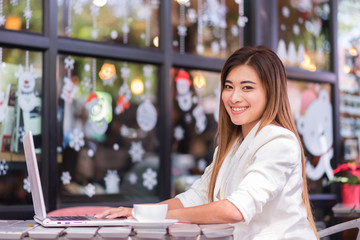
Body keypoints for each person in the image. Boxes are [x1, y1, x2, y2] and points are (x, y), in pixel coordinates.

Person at [95, 46, 319, 239]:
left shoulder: (279, 141)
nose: (234, 97)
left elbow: (235, 209)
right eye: (229, 86)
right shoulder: (232, 144)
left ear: (271, 93)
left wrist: (156, 217)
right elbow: (197, 196)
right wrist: (140, 212)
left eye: (247, 87)